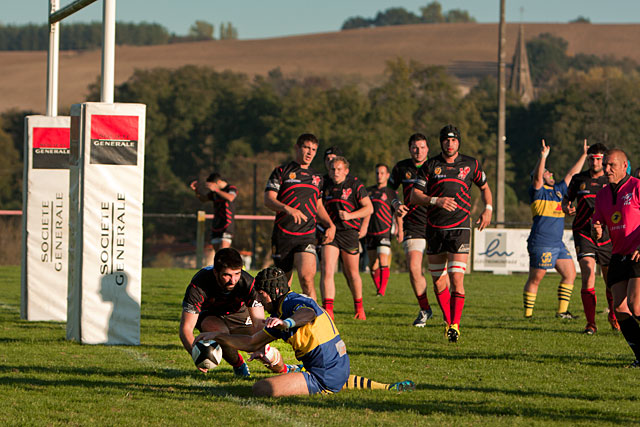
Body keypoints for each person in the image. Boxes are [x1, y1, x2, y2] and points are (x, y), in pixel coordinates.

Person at [195, 267, 415, 396]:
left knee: (261, 389)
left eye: (260, 295)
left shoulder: (293, 305)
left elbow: (308, 314)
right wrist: (218, 336)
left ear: (269, 293)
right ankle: (386, 387)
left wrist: (287, 324)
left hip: (323, 375)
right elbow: (252, 342)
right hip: (338, 364)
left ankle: (306, 376)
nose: (258, 300)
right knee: (279, 366)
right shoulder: (281, 310)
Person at [411, 125, 493, 343]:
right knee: (438, 282)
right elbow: (414, 195)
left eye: (454, 140)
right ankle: (449, 322)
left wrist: (488, 209)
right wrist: (435, 200)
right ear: (441, 143)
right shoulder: (431, 165)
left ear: (459, 142)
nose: (450, 144)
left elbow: (484, 187)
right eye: (446, 140)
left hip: (459, 228)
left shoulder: (471, 164)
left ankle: (455, 325)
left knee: (456, 278)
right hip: (435, 228)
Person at [179, 248, 298, 377]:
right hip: (210, 314)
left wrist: (260, 346)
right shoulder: (198, 285)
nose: (233, 280)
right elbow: (186, 329)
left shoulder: (247, 283)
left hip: (239, 313)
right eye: (227, 275)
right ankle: (239, 365)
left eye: (237, 273)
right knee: (218, 332)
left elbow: (258, 325)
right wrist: (197, 354)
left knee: (261, 345)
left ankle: (285, 369)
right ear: (215, 272)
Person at [521, 139, 587, 321]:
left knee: (570, 274)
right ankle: (528, 316)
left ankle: (562, 312)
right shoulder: (537, 191)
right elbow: (537, 177)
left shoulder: (558, 191)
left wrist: (584, 155)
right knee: (536, 279)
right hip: (541, 242)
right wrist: (543, 157)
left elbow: (573, 174)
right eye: (547, 172)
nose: (551, 173)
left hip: (557, 243)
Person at [264, 133, 336, 301]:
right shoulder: (281, 171)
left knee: (306, 278)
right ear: (297, 148)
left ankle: (315, 321)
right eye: (306, 148)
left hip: (306, 235)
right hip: (283, 235)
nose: (310, 153)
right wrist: (287, 209)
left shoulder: (317, 177)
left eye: (314, 149)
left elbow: (318, 206)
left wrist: (330, 225)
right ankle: (283, 319)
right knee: (282, 284)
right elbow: (268, 199)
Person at [562, 143, 619, 334]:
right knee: (588, 273)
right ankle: (591, 324)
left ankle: (613, 315)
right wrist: (567, 208)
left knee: (610, 280)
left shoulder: (610, 181)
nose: (595, 162)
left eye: (598, 158)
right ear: (588, 159)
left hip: (607, 235)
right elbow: (566, 201)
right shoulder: (579, 179)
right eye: (592, 158)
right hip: (584, 233)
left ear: (604, 160)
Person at [592, 149, 640, 367]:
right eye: (605, 165)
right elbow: (598, 221)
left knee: (636, 306)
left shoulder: (637, 187)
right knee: (620, 310)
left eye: (611, 165)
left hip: (637, 253)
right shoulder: (602, 195)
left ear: (624, 165)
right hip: (618, 254)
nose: (607, 169)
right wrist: (597, 229)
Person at [320, 156, 373, 320]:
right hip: (331, 233)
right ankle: (328, 310)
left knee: (352, 273)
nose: (335, 172)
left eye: (339, 169)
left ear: (346, 171)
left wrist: (350, 216)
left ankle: (359, 308)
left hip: (349, 233)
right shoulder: (325, 185)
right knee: (327, 269)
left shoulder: (355, 185)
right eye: (332, 169)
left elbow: (369, 208)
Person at [389, 133, 434, 327]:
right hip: (413, 224)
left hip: (435, 223)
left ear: (428, 149)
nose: (419, 151)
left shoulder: (436, 167)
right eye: (415, 147)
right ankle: (425, 310)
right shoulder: (401, 167)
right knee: (414, 268)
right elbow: (390, 188)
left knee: (441, 273)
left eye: (422, 147)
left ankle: (450, 313)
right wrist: (395, 203)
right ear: (409, 149)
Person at [365, 163, 403, 296]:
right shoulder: (368, 191)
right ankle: (378, 289)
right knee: (372, 265)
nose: (379, 176)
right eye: (377, 173)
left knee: (383, 260)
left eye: (382, 173)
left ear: (387, 175)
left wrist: (400, 229)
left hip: (384, 231)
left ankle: (382, 290)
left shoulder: (391, 192)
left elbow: (398, 212)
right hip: (370, 232)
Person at [190, 172, 237, 265]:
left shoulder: (231, 189)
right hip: (216, 225)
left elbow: (231, 198)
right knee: (219, 255)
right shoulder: (214, 193)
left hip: (227, 224)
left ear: (218, 182)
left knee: (224, 252)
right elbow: (204, 199)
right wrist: (196, 191)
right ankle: (220, 272)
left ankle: (235, 268)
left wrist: (216, 190)